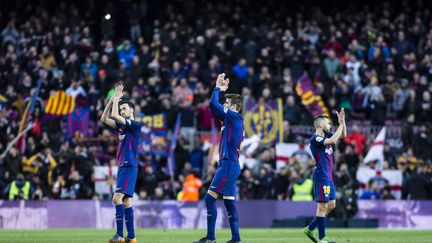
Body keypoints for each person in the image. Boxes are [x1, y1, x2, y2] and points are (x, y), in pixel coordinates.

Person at [194, 73, 244, 243]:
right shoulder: (231, 120)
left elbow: (213, 103)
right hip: (231, 164)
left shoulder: (234, 116)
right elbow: (212, 107)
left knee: (209, 199)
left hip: (228, 164)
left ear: (235, 107)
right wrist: (220, 91)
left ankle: (210, 238)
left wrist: (217, 88)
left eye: (227, 103)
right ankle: (236, 238)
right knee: (229, 203)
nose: (224, 105)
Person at [100, 84, 142, 243]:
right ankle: (131, 237)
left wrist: (117, 99)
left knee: (116, 198)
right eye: (122, 109)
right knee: (125, 201)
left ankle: (119, 235)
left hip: (129, 165)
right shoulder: (122, 128)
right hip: (123, 165)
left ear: (132, 111)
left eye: (125, 109)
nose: (122, 111)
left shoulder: (135, 125)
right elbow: (104, 118)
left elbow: (116, 116)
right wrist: (111, 101)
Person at [303, 109, 346, 243]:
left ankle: (310, 228)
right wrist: (339, 126)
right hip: (321, 175)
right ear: (321, 125)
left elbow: (343, 135)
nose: (330, 126)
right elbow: (333, 140)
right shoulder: (315, 138)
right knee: (322, 207)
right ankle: (322, 238)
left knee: (331, 205)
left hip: (329, 177)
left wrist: (342, 122)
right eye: (328, 124)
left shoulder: (327, 136)